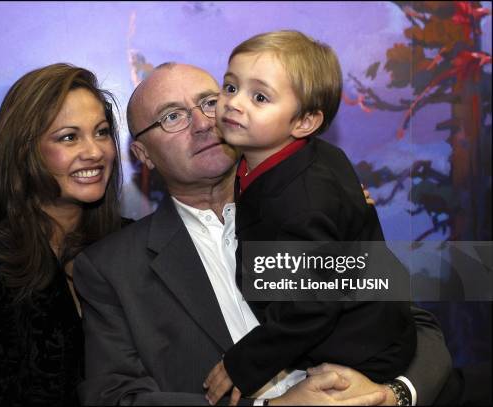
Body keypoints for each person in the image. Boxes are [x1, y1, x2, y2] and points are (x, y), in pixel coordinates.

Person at [73, 62, 452, 405]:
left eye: (210, 102)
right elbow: (117, 398)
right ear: (143, 155)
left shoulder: (314, 202)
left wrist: (392, 396)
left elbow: (414, 325)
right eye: (172, 116)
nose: (204, 122)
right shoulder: (111, 269)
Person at [204, 30, 415, 405]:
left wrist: (245, 363)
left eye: (260, 97)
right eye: (230, 87)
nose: (234, 103)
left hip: (363, 348)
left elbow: (313, 303)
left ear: (303, 122)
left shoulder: (304, 201)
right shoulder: (286, 157)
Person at [0, 63, 123, 406]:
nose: (95, 151)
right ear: (25, 151)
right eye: (69, 137)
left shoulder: (129, 243)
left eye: (102, 132)